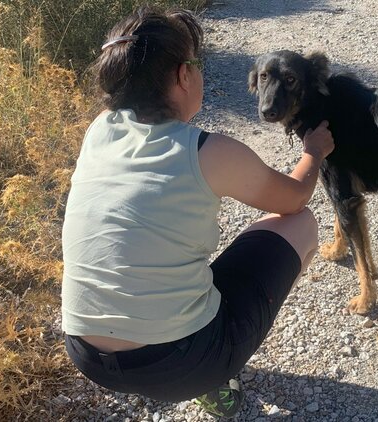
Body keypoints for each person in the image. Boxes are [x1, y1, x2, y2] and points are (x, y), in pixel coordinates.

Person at [60, 5, 334, 419]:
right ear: (183, 75)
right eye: (197, 64)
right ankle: (215, 380)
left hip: (85, 355)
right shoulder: (209, 151)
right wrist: (313, 151)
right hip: (182, 366)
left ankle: (197, 351)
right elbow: (295, 197)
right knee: (301, 223)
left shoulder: (99, 128)